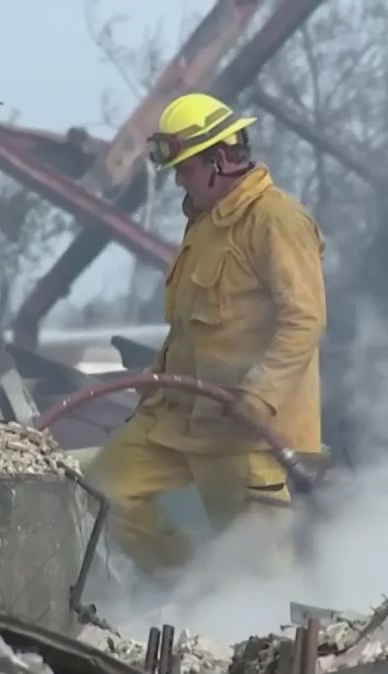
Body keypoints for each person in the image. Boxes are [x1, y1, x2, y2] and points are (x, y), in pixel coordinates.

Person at [87, 92, 327, 577]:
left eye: (186, 169)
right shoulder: (203, 225)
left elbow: (305, 319)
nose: (179, 180)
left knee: (260, 579)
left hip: (246, 432)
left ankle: (255, 617)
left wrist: (260, 394)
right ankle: (188, 588)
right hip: (180, 420)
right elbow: (193, 326)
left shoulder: (276, 219)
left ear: (219, 160)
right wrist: (157, 375)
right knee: (103, 489)